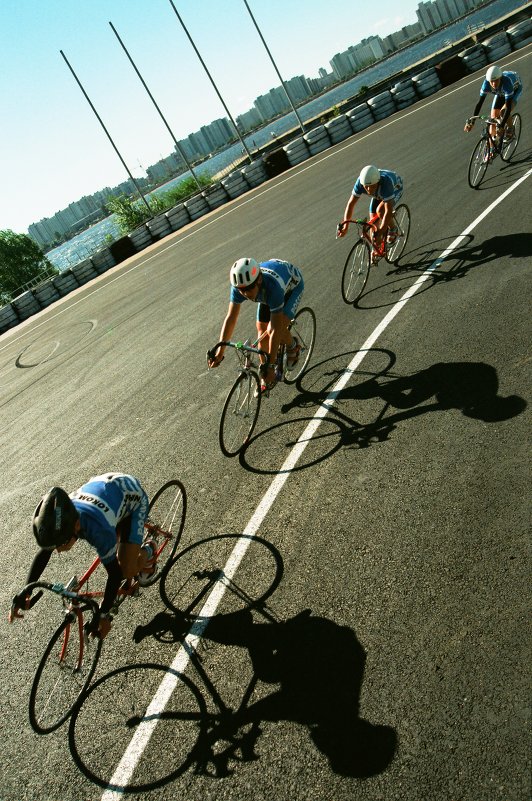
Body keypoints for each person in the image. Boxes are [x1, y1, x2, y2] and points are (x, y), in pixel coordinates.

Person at [8, 473, 155, 638]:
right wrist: (26, 590)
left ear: (77, 525)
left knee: (126, 569)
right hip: (106, 491)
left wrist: (103, 615)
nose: (57, 550)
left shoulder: (98, 530)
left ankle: (148, 551)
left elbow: (114, 575)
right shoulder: (64, 517)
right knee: (115, 542)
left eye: (61, 543)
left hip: (132, 499)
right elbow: (44, 552)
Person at [208, 257, 304, 392]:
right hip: (265, 289)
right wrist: (220, 352)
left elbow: (276, 329)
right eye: (241, 290)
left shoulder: (273, 288)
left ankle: (293, 347)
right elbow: (231, 318)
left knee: (273, 329)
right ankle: (264, 375)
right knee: (261, 332)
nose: (246, 294)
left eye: (248, 289)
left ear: (258, 280)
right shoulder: (241, 286)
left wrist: (271, 365)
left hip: (292, 287)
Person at [337, 165, 404, 254]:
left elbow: (387, 210)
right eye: (366, 186)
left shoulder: (386, 183)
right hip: (379, 193)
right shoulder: (360, 182)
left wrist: (381, 232)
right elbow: (351, 204)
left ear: (378, 182)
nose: (369, 190)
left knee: (381, 211)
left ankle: (393, 229)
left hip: (395, 189)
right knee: (373, 224)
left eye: (372, 186)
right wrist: (345, 227)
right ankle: (377, 250)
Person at [464, 64, 523, 156]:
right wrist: (472, 122)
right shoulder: (486, 84)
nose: (494, 84)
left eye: (496, 81)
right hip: (500, 93)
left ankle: (511, 129)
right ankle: (491, 149)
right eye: (492, 82)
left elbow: (507, 108)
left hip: (514, 90)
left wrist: (502, 126)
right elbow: (479, 103)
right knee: (492, 119)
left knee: (503, 112)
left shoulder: (507, 82)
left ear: (500, 78)